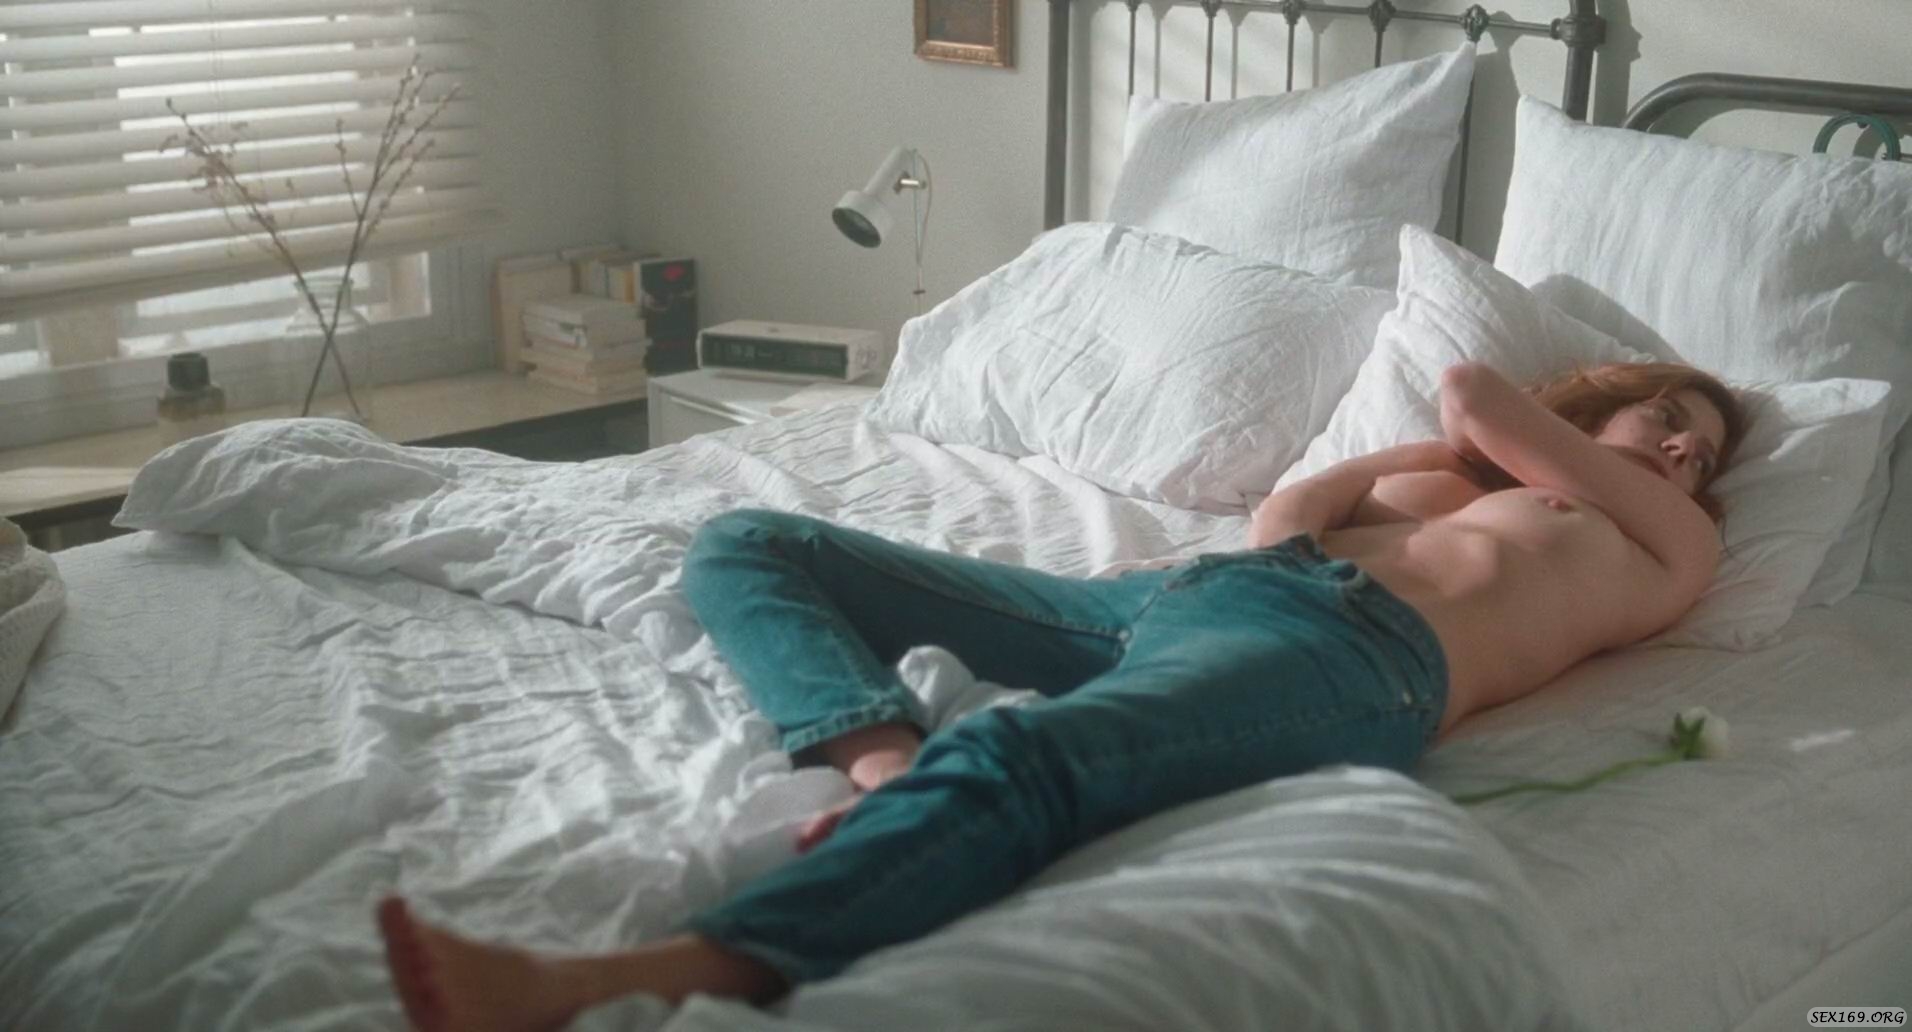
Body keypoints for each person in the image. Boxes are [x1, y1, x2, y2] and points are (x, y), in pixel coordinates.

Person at [375, 360, 1748, 1032]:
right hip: (1202, 593)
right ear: (1606, 403)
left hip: (1358, 659)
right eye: (1668, 418)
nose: (1687, 450)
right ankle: (881, 764)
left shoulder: (1668, 545)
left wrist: (1503, 446)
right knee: (750, 543)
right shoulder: (1462, 490)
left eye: (1706, 446)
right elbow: (1286, 520)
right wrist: (1415, 466)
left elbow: (1473, 390)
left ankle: (615, 980)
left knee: (1029, 762)